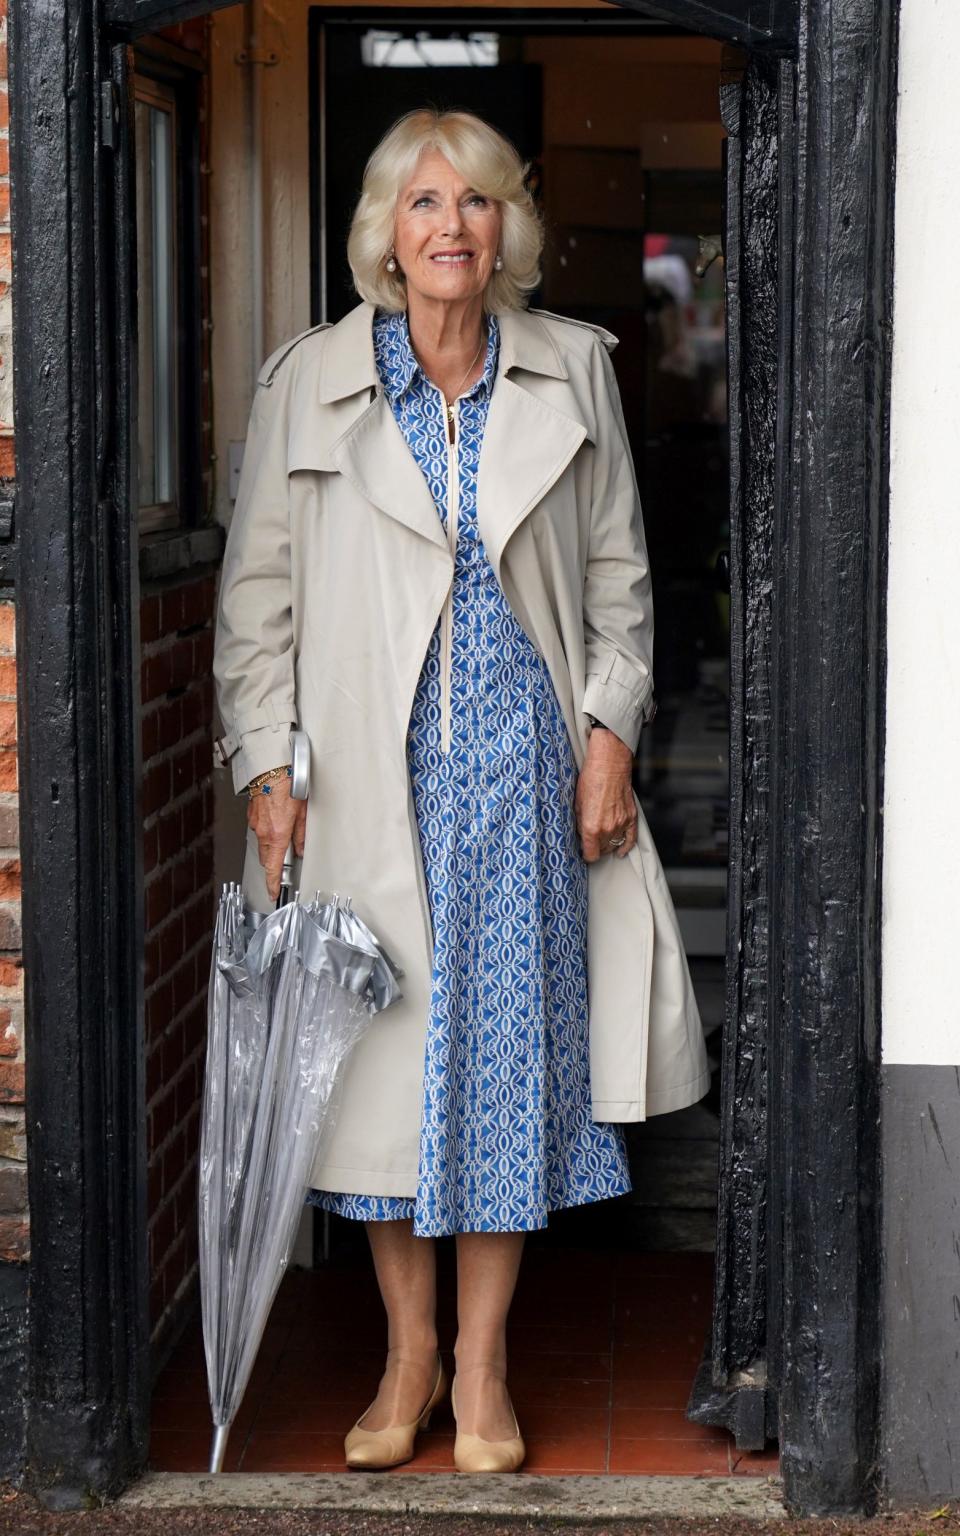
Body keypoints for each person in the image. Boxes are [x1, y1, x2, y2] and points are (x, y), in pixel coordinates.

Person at [212, 107, 710, 1475]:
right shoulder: (309, 382)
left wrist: (608, 738)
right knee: (378, 1069)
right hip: (361, 782)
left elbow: (619, 582)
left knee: (502, 1070)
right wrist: (266, 766)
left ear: (507, 232)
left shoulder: (572, 375)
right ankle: (406, 1352)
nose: (451, 225)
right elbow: (255, 601)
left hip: (521, 781)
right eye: (425, 202)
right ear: (386, 230)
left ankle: (481, 1368)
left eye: (477, 202)